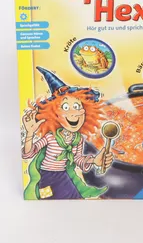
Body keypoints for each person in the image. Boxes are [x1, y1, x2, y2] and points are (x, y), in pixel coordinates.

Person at [22, 66, 113, 200]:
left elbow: (77, 159)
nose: (74, 113)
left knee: (75, 198)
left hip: (63, 176)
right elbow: (29, 153)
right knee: (48, 201)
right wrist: (30, 133)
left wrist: (94, 160)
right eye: (65, 107)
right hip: (46, 177)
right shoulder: (51, 138)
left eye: (77, 107)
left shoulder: (77, 139)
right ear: (54, 114)